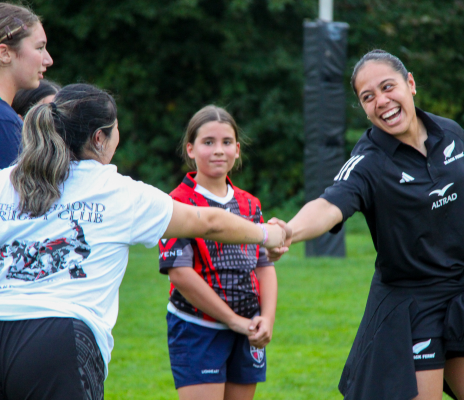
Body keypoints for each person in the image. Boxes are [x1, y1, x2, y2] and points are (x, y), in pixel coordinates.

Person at [0, 84, 288, 400]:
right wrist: (267, 234)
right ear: (100, 138)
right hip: (61, 341)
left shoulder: (5, 181)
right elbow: (207, 222)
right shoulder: (116, 192)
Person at [268, 50, 464, 400]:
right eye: (368, 97)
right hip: (412, 307)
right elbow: (329, 204)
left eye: (388, 87)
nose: (381, 102)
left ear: (411, 84)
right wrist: (288, 231)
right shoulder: (368, 162)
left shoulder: (451, 134)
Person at [158, 105, 278, 400]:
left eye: (226, 142)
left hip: (248, 327)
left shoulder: (250, 204)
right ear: (190, 149)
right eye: (208, 142)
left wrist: (267, 318)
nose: (218, 150)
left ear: (237, 149)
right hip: (197, 328)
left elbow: (263, 267)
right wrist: (232, 319)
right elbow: (181, 274)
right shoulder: (176, 204)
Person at [0, 2, 53, 169]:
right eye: (39, 47)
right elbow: (19, 194)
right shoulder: (5, 123)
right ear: (5, 53)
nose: (48, 60)